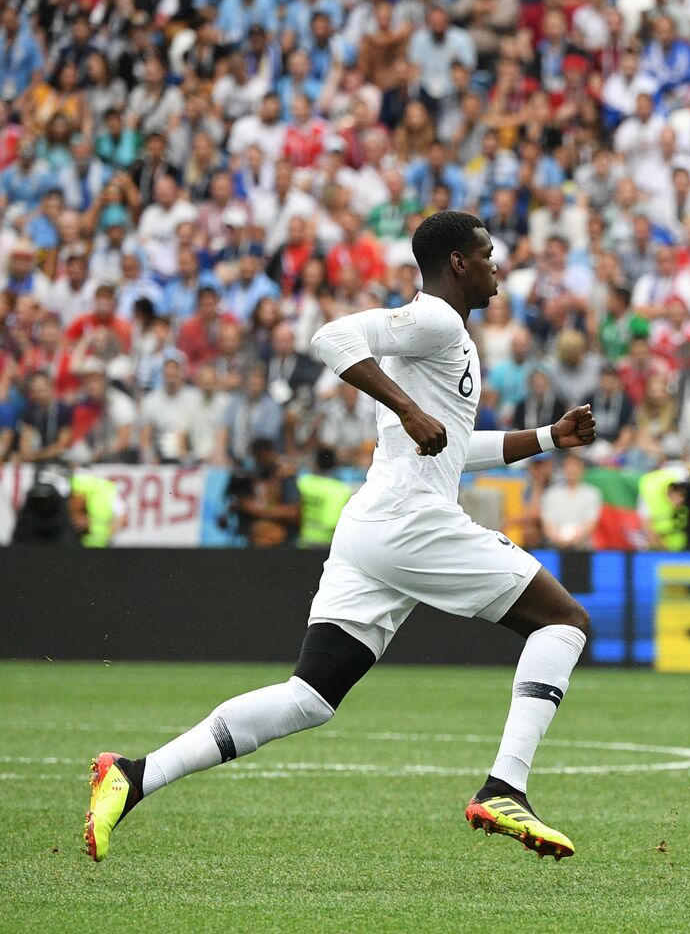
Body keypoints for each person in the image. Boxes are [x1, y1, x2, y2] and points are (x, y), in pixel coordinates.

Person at [85, 212, 598, 863]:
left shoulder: (446, 338)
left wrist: (549, 439)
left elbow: (456, 447)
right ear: (460, 263)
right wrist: (406, 409)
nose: (499, 266)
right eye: (489, 254)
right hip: (412, 521)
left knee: (309, 697)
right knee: (564, 619)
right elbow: (330, 336)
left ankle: (133, 775)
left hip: (373, 528)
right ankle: (506, 786)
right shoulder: (436, 320)